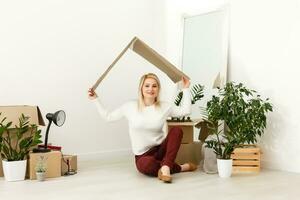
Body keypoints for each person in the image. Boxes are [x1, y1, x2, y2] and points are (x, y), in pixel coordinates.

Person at [88, 73, 197, 183]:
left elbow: (186, 111)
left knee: (177, 131)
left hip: (161, 150)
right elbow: (108, 117)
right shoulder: (130, 106)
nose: (151, 89)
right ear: (141, 88)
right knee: (146, 166)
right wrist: (95, 99)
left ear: (158, 89)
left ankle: (166, 167)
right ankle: (179, 167)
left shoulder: (165, 106)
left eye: (154, 86)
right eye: (147, 85)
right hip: (143, 155)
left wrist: (185, 88)